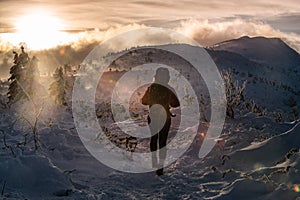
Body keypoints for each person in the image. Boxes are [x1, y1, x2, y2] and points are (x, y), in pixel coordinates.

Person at [141, 67, 180, 175]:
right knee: (162, 142)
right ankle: (160, 168)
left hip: (152, 116)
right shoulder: (169, 89)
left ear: (156, 76)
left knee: (154, 139)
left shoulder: (151, 88)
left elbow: (143, 101)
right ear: (167, 78)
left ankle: (154, 162)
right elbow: (176, 104)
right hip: (165, 118)